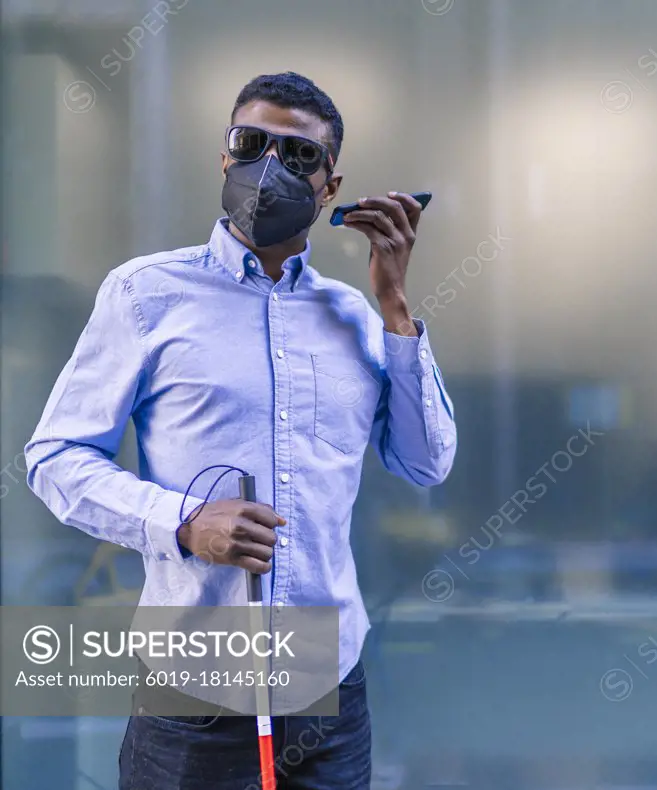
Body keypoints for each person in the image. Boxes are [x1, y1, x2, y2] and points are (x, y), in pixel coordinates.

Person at [24, 72, 457, 790]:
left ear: (330, 186)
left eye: (297, 155)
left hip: (329, 685)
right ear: (224, 159)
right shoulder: (146, 294)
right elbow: (54, 457)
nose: (267, 167)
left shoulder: (357, 316)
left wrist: (396, 309)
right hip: (194, 692)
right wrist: (183, 521)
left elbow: (427, 462)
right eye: (249, 143)